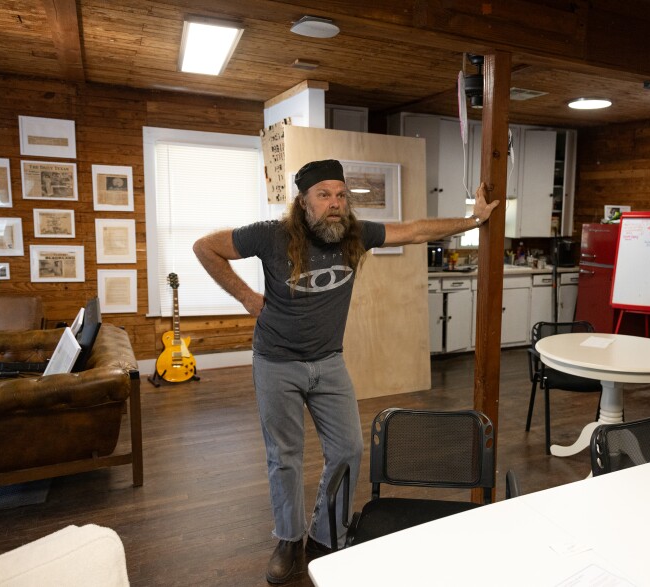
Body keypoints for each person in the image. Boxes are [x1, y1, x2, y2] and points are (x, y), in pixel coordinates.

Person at [193, 159, 498, 584]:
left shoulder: (356, 233)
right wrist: (247, 297)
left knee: (349, 449)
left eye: (341, 195)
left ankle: (325, 532)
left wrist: (473, 219)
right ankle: (288, 540)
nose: (335, 204)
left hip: (329, 362)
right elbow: (205, 246)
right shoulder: (270, 234)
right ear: (303, 202)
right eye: (324, 195)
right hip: (276, 362)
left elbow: (415, 230)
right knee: (285, 457)